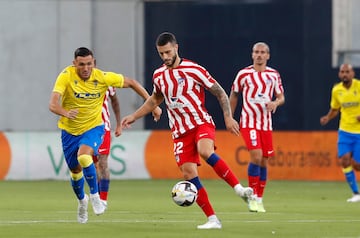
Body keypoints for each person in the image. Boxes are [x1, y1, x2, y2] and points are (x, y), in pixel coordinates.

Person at [121, 32, 254, 230]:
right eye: (161, 54)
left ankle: (239, 189)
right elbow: (156, 99)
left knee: (205, 150)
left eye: (167, 52)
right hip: (179, 131)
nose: (165, 57)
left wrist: (227, 117)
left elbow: (219, 91)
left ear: (176, 48)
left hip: (200, 122)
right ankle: (212, 219)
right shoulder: (159, 75)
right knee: (188, 173)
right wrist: (134, 116)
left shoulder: (194, 69)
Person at [49, 47, 161, 224]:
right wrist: (65, 112)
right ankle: (82, 201)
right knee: (75, 171)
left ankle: (95, 196)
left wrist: (153, 105)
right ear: (74, 64)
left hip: (94, 127)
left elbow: (131, 82)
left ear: (93, 63)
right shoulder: (66, 76)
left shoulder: (102, 77)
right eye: (81, 64)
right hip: (69, 131)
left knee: (85, 157)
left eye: (89, 64)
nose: (86, 68)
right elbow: (53, 104)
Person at [229, 42, 285, 213]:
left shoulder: (273, 75)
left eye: (263, 52)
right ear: (252, 55)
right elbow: (234, 94)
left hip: (266, 124)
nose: (259, 55)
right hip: (248, 122)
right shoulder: (244, 74)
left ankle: (259, 198)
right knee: (256, 155)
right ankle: (252, 196)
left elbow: (281, 97)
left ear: (268, 55)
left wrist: (275, 102)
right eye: (256, 52)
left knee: (264, 160)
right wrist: (229, 117)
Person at [320, 63, 360, 203]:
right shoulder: (337, 90)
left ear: (352, 73)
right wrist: (327, 117)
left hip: (359, 133)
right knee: (344, 160)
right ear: (339, 74)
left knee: (357, 165)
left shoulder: (359, 86)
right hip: (344, 131)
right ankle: (356, 193)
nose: (344, 74)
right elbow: (335, 109)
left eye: (347, 72)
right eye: (342, 72)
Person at [92, 86, 121, 209]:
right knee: (91, 165)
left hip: (104, 128)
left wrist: (119, 124)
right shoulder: (77, 82)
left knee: (103, 163)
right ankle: (97, 195)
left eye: (90, 64)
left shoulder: (106, 82)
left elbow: (115, 101)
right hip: (85, 129)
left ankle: (103, 199)